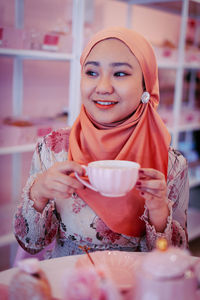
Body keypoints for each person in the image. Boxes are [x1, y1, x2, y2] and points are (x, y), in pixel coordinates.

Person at [14, 27, 189, 260]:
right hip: (69, 286)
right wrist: (39, 192)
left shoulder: (171, 164)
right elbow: (31, 244)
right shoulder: (53, 149)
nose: (103, 87)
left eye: (120, 74)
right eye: (91, 72)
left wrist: (158, 211)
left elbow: (173, 259)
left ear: (145, 85)